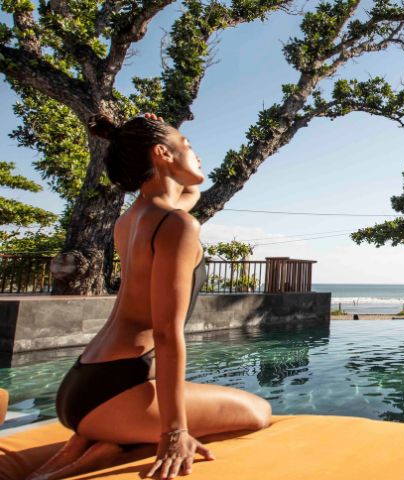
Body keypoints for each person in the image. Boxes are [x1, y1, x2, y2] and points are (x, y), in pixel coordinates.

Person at [27, 114, 271, 480]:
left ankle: (101, 439)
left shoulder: (134, 219)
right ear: (161, 154)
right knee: (258, 411)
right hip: (116, 394)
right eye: (188, 144)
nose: (197, 153)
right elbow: (165, 334)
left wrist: (153, 139)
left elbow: (190, 191)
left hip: (82, 384)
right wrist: (174, 432)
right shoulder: (176, 225)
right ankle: (110, 437)